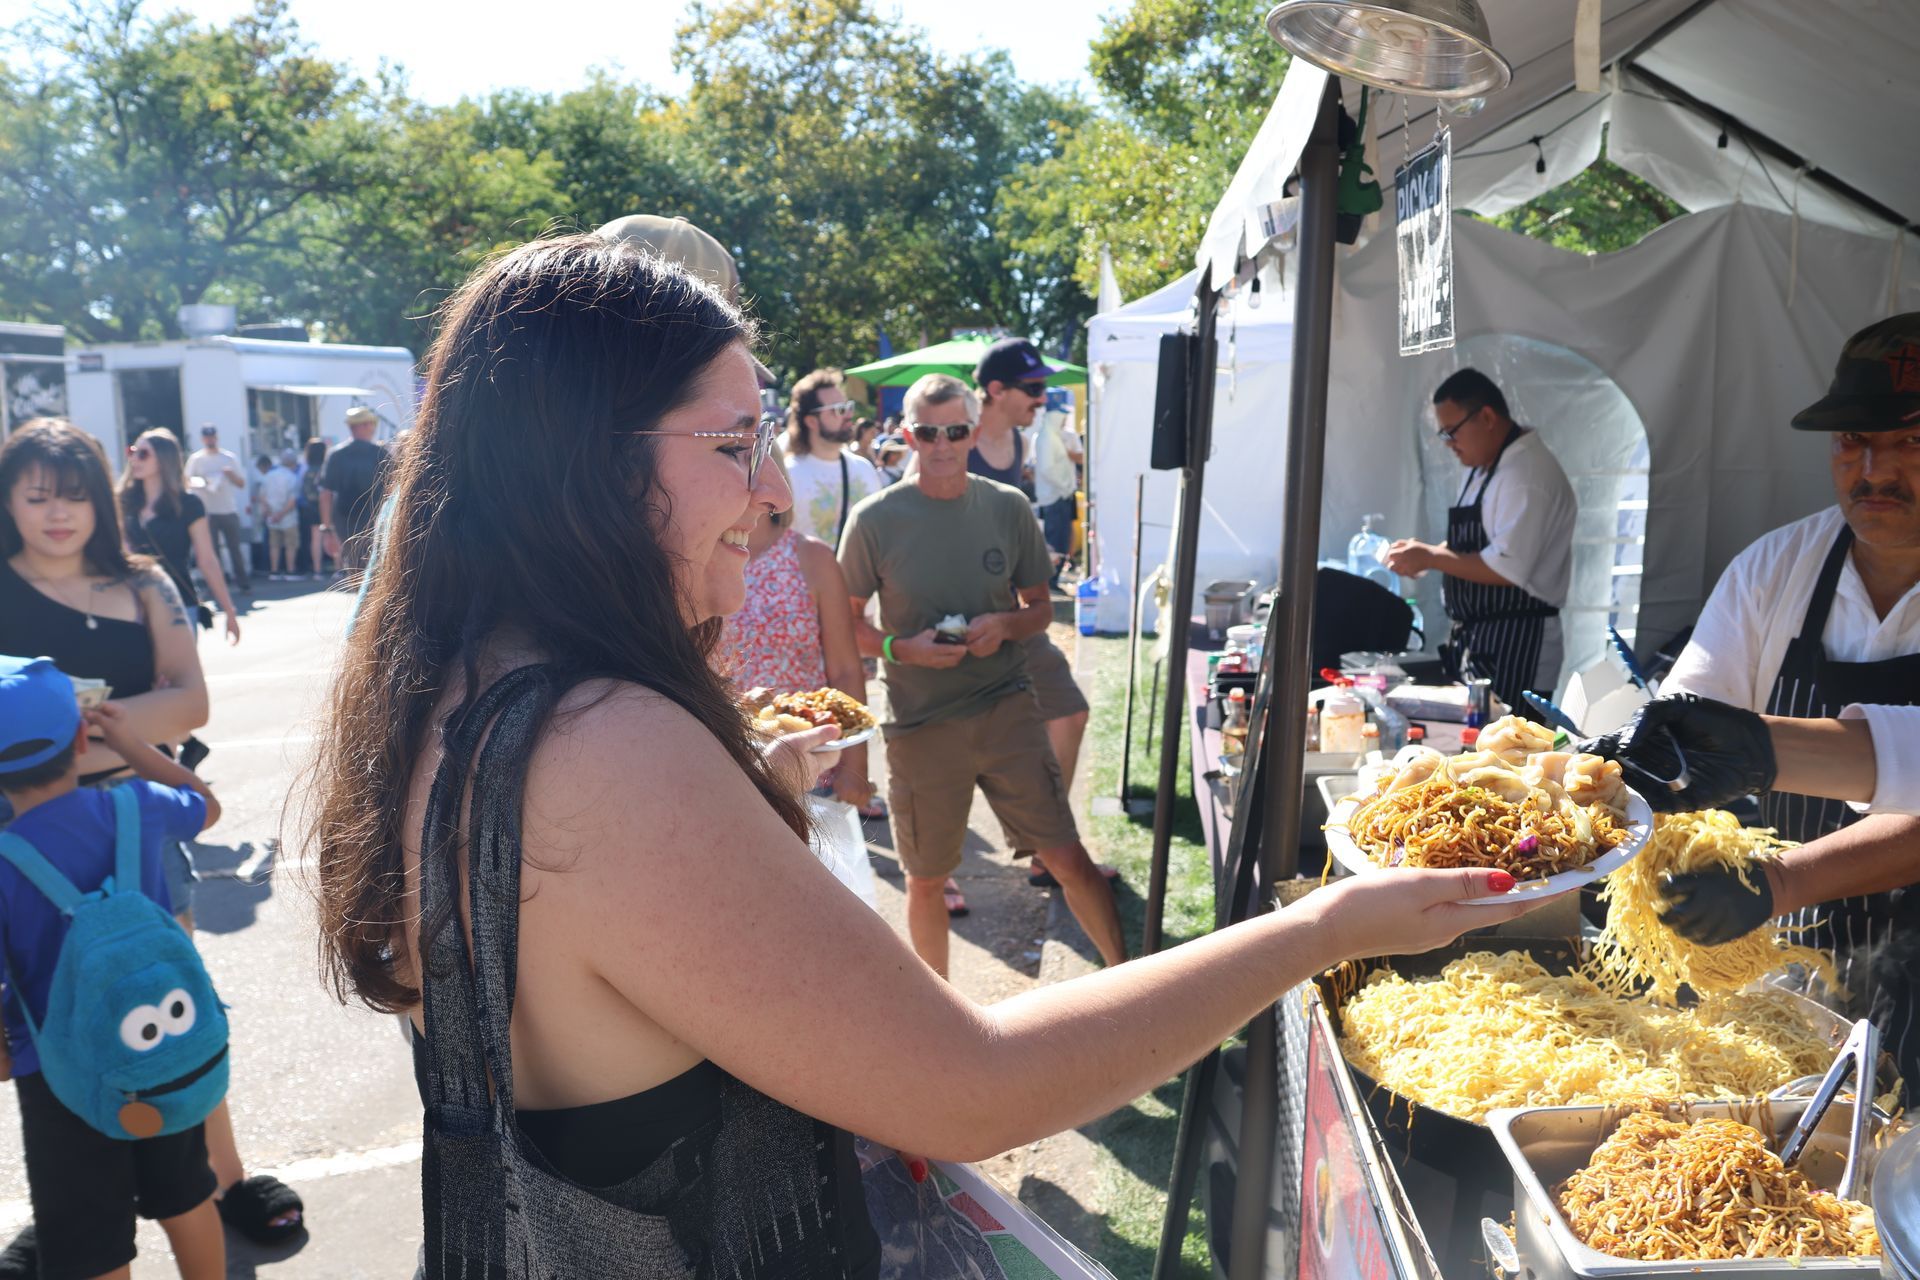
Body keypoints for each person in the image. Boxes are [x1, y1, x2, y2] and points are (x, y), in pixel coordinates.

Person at [307, 236, 1542, 1278]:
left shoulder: (462, 683)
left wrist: (760, 785)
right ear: (588, 456)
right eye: (735, 445)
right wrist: (1323, 927)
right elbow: (975, 1084)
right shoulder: (605, 745)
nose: (771, 499)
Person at [0, 421, 303, 1268]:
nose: (56, 513)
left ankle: (220, 1177)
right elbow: (159, 706)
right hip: (21, 849)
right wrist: (105, 733)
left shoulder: (142, 584)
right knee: (46, 1026)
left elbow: (192, 702)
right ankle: (72, 1208)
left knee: (166, 1009)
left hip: (135, 825)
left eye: (72, 493)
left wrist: (76, 743)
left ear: (100, 497)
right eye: (35, 494)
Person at [1632, 312, 1920, 1089]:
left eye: (1911, 444)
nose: (1873, 471)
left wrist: (1784, 879)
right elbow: (1691, 721)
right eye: (1850, 443)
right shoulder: (1777, 568)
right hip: (1789, 950)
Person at [840, 372, 1120, 974]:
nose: (942, 445)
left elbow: (1041, 608)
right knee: (925, 880)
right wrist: (900, 647)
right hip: (920, 723)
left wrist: (1004, 625)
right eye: (926, 432)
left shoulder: (1007, 507)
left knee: (1068, 858)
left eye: (956, 431)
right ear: (907, 436)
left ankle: (1131, 980)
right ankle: (943, 1035)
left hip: (1004, 706)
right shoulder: (873, 520)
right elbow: (845, 624)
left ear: (973, 431)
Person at [0, 657, 227, 1280]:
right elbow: (205, 807)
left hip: (55, 1072)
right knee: (186, 1193)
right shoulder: (136, 805)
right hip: (163, 1050)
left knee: (86, 1238)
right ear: (80, 738)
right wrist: (130, 740)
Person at [972, 340, 1096, 889]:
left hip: (1013, 616)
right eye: (1034, 389)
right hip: (959, 623)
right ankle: (940, 873)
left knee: (1069, 713)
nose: (1043, 398)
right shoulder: (957, 435)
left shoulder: (1019, 438)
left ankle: (1050, 845)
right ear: (996, 391)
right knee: (969, 747)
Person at [1383, 368, 1576, 714]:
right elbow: (1477, 547)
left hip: (1520, 642)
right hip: (1481, 641)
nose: (1449, 444)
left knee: (1510, 749)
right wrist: (1426, 555)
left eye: (1452, 432)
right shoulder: (1485, 467)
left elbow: (1507, 567)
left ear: (1486, 416)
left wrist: (1431, 557)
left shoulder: (1525, 475)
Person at [720, 450, 877, 814]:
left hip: (811, 766)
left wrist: (856, 767)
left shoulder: (812, 558)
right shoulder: (699, 557)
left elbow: (846, 669)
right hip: (725, 765)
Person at [119, 428, 242, 645]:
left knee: (181, 676)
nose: (135, 459)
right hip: (132, 604)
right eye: (132, 451)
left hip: (178, 604)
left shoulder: (189, 505)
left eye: (143, 453)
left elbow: (207, 560)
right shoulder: (124, 501)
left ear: (164, 460)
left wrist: (229, 612)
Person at [782, 368, 884, 549]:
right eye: (839, 410)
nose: (849, 415)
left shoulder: (864, 468)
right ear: (812, 421)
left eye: (848, 407)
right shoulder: (788, 475)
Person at [318, 407, 390, 573]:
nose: (374, 428)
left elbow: (325, 494)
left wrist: (327, 529)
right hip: (376, 519)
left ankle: (360, 595)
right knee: (376, 568)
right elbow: (393, 490)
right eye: (372, 424)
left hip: (345, 521)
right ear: (365, 425)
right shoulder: (380, 453)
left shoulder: (336, 455)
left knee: (354, 566)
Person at [182, 426, 251, 594]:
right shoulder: (196, 459)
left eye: (212, 437)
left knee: (235, 549)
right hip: (207, 512)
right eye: (207, 437)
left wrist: (230, 475)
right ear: (202, 439)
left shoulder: (228, 458)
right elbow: (186, 481)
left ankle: (243, 584)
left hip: (228, 509)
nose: (210, 440)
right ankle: (219, 585)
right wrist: (203, 482)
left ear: (217, 437)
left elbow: (241, 483)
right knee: (213, 552)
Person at [258, 451, 301, 581]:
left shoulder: (269, 476)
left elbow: (262, 497)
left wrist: (271, 513)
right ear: (293, 463)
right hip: (288, 517)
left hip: (272, 517)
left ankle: (274, 572)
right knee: (290, 545)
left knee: (274, 545)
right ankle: (290, 571)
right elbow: (292, 501)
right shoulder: (292, 478)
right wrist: (280, 514)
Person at [299, 438, 331, 580]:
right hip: (328, 505)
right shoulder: (327, 469)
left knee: (315, 539)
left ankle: (317, 570)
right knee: (333, 534)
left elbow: (304, 491)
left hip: (311, 507)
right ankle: (338, 568)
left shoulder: (306, 471)